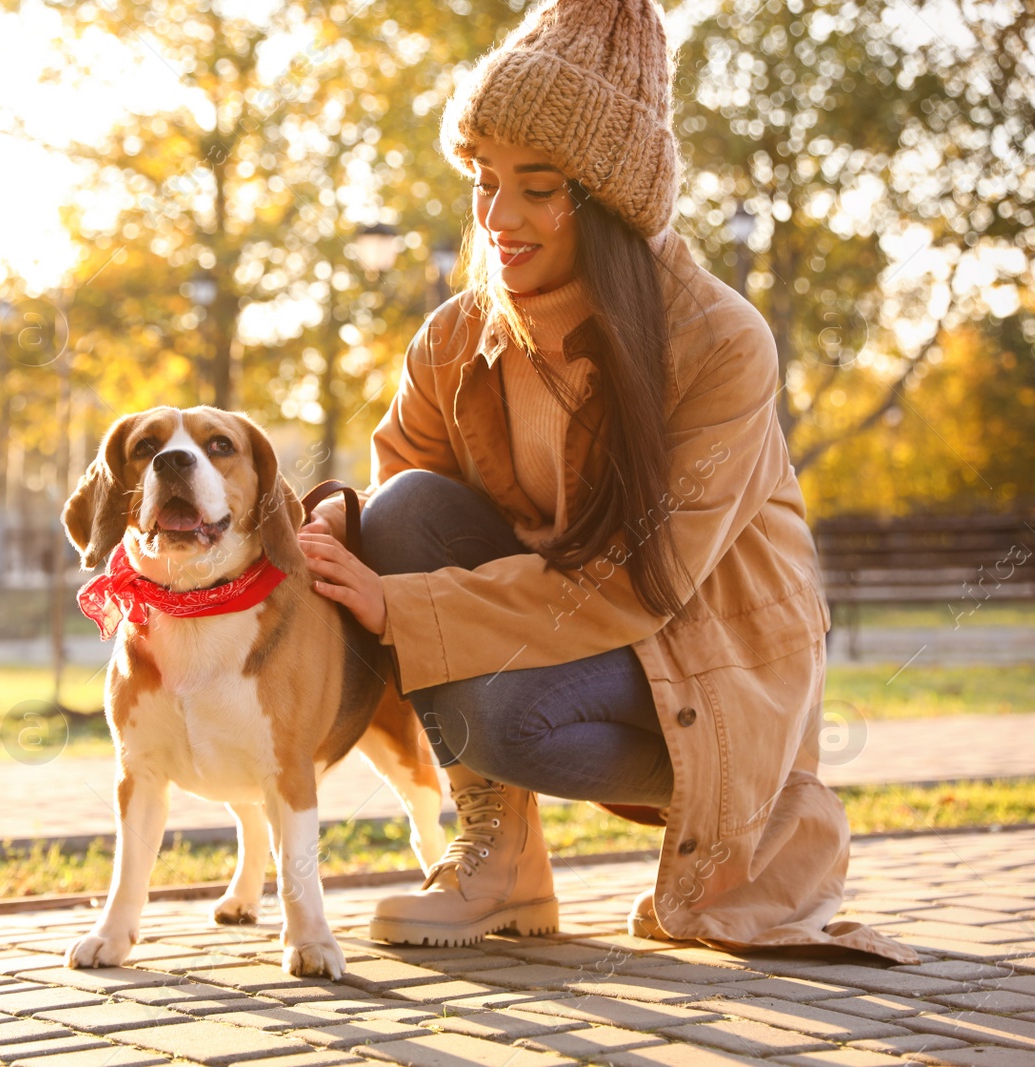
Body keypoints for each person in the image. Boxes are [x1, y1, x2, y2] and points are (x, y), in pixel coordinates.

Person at [298, 0, 917, 963]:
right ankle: (500, 865)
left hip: (705, 651)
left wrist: (398, 609)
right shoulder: (457, 339)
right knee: (405, 506)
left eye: (537, 188)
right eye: (483, 180)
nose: (497, 219)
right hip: (545, 629)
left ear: (611, 202)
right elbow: (404, 523)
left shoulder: (718, 342)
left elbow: (643, 581)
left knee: (506, 717)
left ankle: (748, 797)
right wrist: (338, 528)